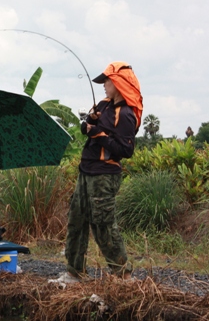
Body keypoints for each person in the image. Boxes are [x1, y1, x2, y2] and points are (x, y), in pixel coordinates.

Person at [51, 62, 143, 285]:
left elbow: (126, 150)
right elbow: (85, 129)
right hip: (86, 170)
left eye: (107, 81)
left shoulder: (127, 115)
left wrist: (99, 135)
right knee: (76, 220)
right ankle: (75, 272)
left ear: (118, 83)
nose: (104, 86)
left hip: (104, 175)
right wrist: (89, 122)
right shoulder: (104, 104)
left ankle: (123, 276)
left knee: (103, 224)